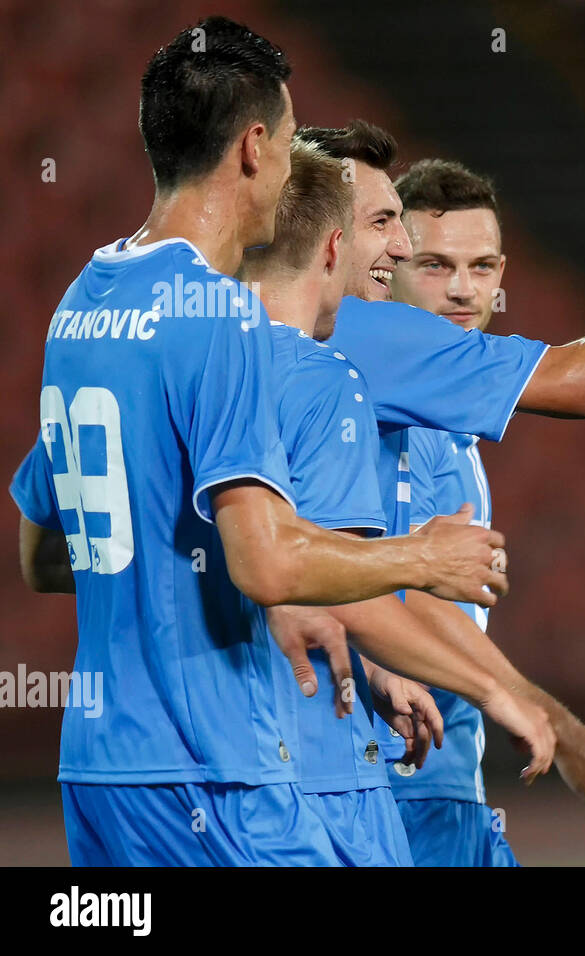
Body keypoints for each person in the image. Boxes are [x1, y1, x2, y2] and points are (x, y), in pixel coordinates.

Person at [8, 17, 504, 866]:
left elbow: (45, 556)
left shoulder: (82, 302)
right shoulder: (222, 316)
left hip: (97, 770)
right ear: (254, 147)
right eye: (287, 143)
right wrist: (421, 559)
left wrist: (175, 565)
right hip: (213, 771)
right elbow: (267, 565)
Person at [237, 141, 556, 864]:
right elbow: (301, 570)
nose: (460, 289)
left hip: (406, 769)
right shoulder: (331, 377)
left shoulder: (178, 346)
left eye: (481, 268)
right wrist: (505, 693)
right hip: (350, 774)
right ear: (334, 242)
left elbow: (59, 548)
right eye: (394, 232)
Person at [386, 158, 585, 865]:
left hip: (441, 786)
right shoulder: (387, 415)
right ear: (389, 266)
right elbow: (409, 604)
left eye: (480, 266)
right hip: (394, 791)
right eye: (435, 265)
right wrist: (562, 730)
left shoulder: (446, 420)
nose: (463, 290)